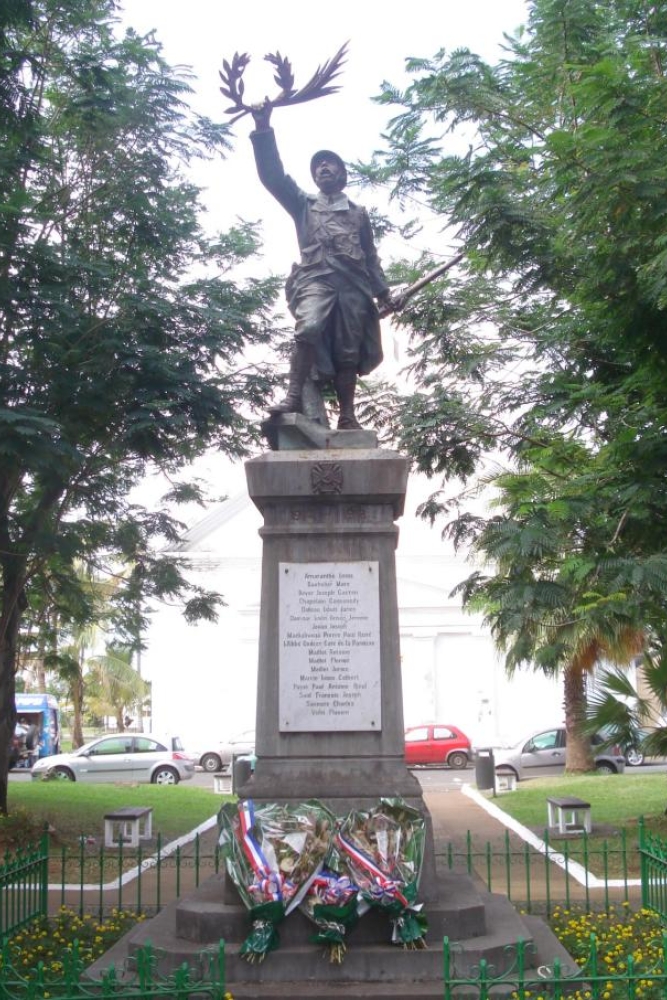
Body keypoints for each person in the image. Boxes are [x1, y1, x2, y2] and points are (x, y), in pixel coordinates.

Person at [249, 103, 400, 430]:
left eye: (330, 163)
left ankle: (347, 415)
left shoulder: (359, 213)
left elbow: (370, 256)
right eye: (318, 165)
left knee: (349, 352)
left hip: (354, 287)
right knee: (308, 328)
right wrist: (263, 129)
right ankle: (292, 397)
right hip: (317, 280)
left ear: (343, 174)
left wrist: (383, 292)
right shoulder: (303, 204)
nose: (323, 168)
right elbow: (273, 177)